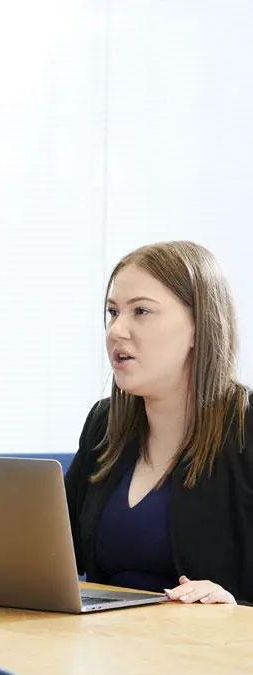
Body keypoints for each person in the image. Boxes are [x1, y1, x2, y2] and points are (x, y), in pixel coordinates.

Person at [65, 241, 253, 605]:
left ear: (200, 325)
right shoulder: (104, 424)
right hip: (108, 647)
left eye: (141, 312)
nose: (117, 330)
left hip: (211, 652)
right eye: (113, 312)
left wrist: (234, 606)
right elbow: (52, 549)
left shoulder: (246, 430)